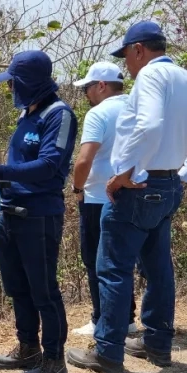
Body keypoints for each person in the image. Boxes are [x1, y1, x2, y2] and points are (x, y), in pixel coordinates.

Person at [67, 21, 187, 373]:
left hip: (139, 187)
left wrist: (128, 173)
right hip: (168, 185)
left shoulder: (151, 78)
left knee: (112, 269)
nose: (128, 65)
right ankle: (157, 342)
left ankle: (108, 351)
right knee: (157, 268)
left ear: (138, 49)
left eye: (126, 56)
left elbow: (150, 126)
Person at [0, 50, 78, 373]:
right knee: (18, 288)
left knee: (43, 291)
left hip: (39, 217)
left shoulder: (59, 115)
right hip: (10, 213)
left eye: (13, 82)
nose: (9, 87)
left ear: (28, 81)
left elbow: (49, 166)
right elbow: (18, 169)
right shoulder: (26, 115)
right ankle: (28, 348)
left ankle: (54, 362)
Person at [69, 62, 139, 337]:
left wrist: (77, 189)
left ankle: (101, 319)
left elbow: (84, 160)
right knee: (123, 261)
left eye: (87, 87)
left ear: (101, 85)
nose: (86, 94)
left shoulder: (99, 114)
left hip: (98, 198)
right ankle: (128, 320)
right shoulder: (138, 108)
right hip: (133, 194)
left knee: (95, 262)